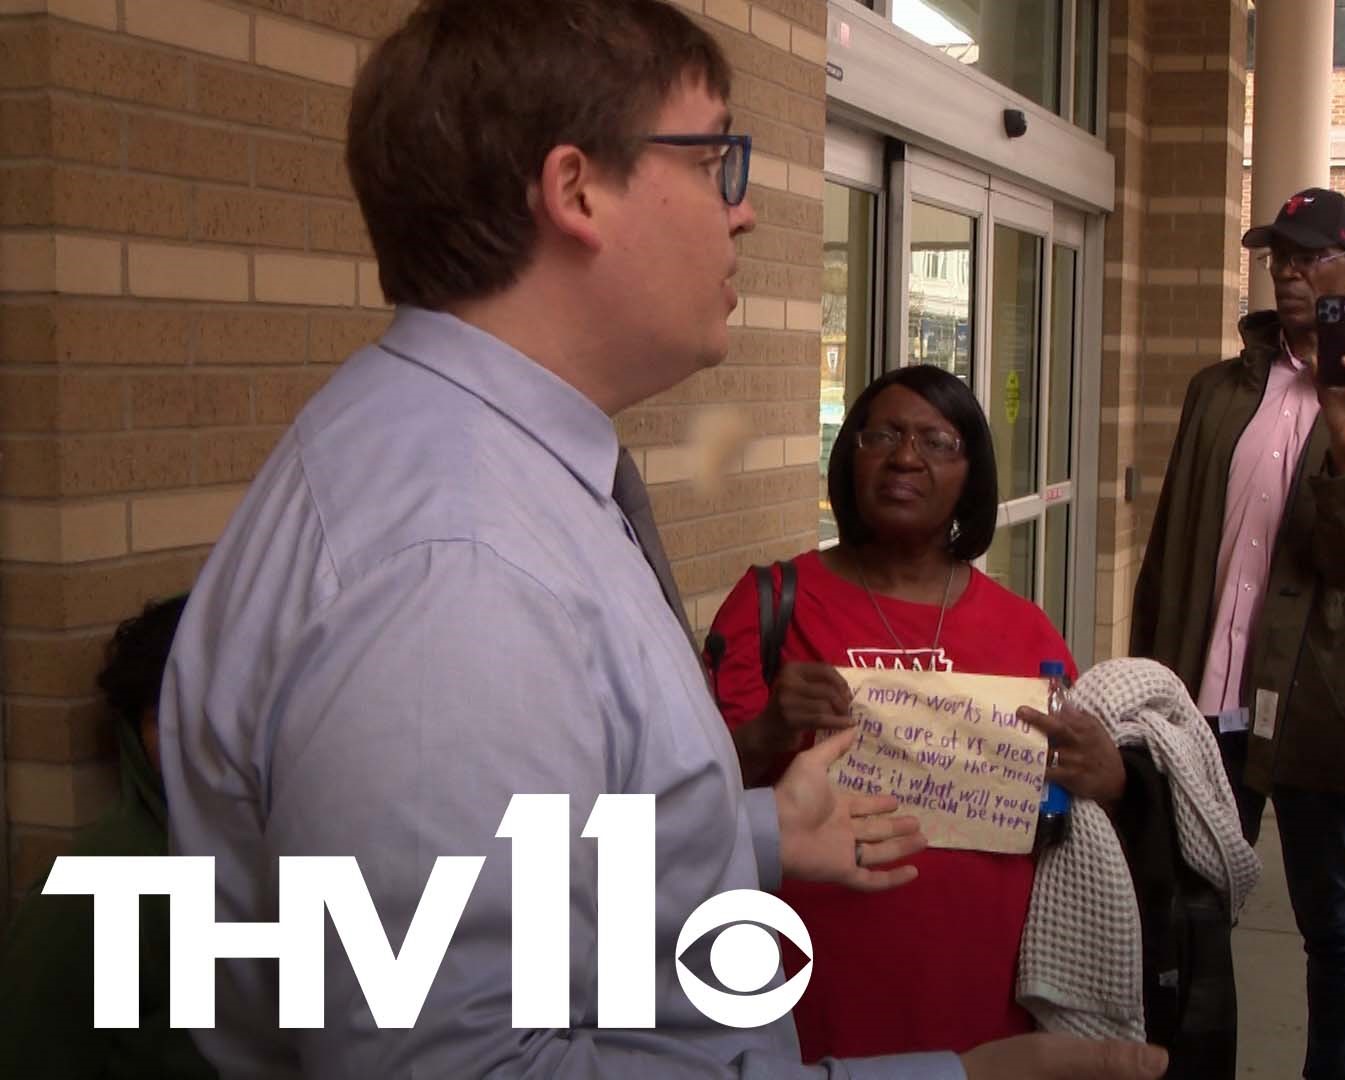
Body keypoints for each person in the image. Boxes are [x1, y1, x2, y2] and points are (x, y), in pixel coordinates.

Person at [159, 3, 1165, 1079]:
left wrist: (755, 833)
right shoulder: (454, 570)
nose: (744, 214)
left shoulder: (500, 479)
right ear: (577, 189)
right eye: (717, 158)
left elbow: (536, 868)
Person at [708, 363, 1127, 1059]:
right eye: (884, 435)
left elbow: (1075, 807)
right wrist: (768, 732)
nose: (906, 456)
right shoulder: (771, 604)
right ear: (849, 457)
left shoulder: (1026, 631)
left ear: (973, 477)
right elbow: (688, 805)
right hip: (803, 985)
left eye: (937, 442)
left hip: (980, 991)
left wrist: (1110, 776)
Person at [1131, 187, 1345, 1080]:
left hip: (1317, 704)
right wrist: (1155, 680)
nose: (1293, 274)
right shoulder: (1220, 391)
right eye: (1281, 258)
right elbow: (1171, 548)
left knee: (1336, 924)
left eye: (1312, 258)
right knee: (1194, 907)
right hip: (1205, 699)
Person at [0, 594, 214, 1080]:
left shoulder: (291, 852)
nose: (202, 739)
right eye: (170, 716)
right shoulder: (105, 891)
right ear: (134, 732)